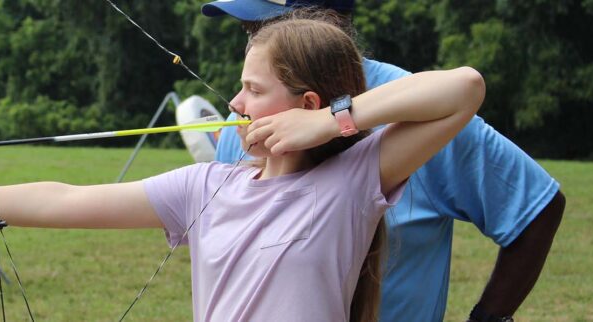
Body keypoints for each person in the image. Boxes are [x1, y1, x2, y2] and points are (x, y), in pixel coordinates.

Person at [0, 16, 485, 321]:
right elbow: (62, 199)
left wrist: (333, 124)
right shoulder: (206, 186)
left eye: (251, 90)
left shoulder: (352, 181)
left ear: (304, 104)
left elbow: (464, 87)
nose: (235, 105)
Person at [200, 1, 565, 321]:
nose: (252, 43)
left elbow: (536, 206)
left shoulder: (425, 111)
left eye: (264, 26)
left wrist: (487, 319)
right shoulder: (245, 120)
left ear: (326, 23)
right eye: (248, 30)